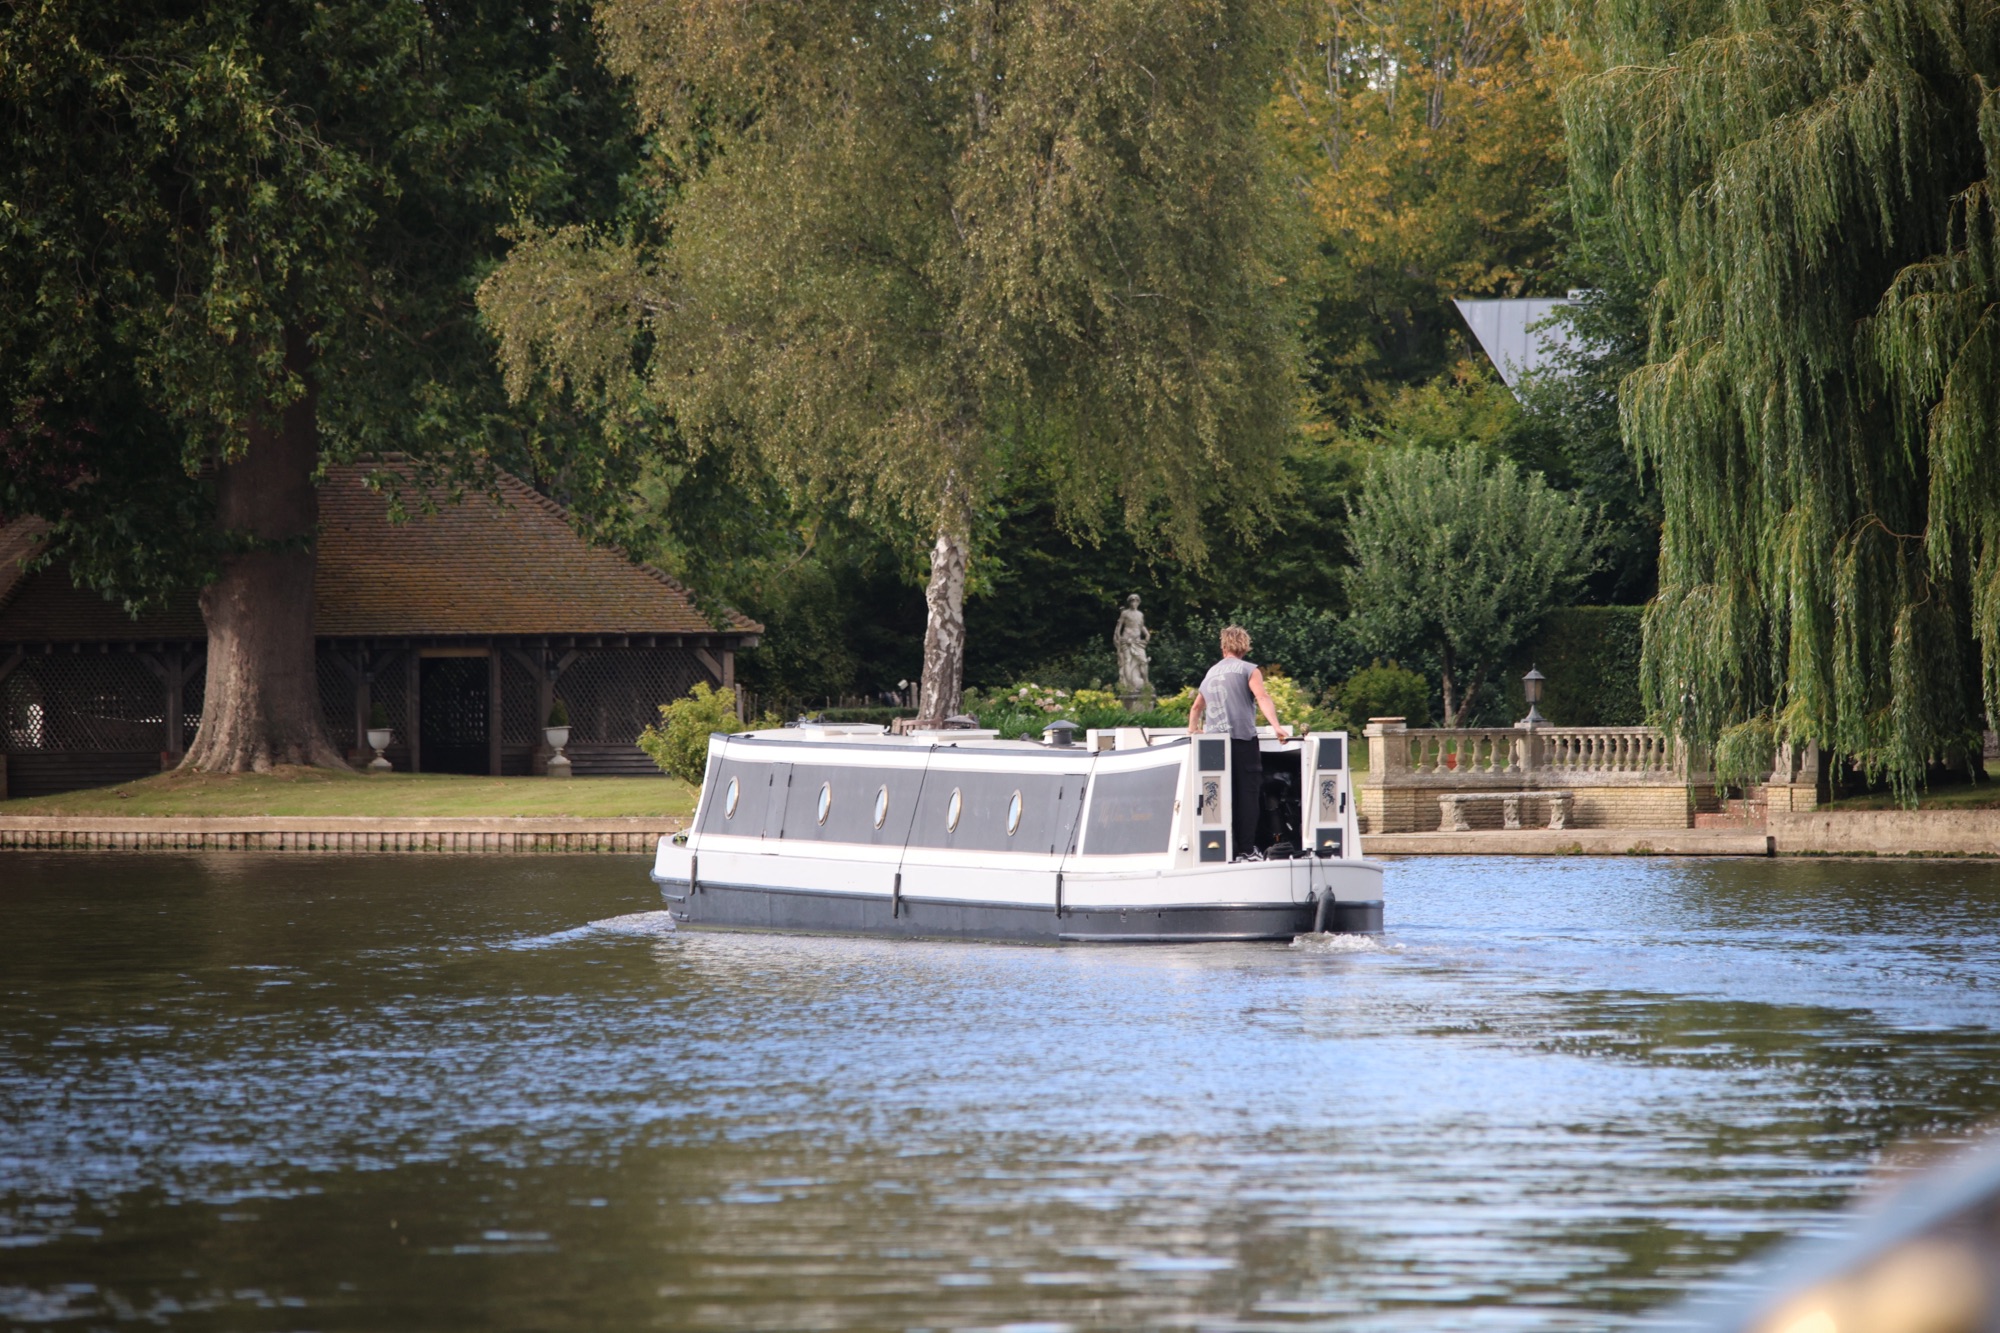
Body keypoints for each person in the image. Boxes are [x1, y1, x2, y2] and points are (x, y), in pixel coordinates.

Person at [1186, 625, 1288, 861]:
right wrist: (1276, 725)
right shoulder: (1249, 669)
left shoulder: (1210, 673)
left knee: (1219, 796)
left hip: (1214, 745)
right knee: (1247, 797)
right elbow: (1262, 697)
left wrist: (1193, 730)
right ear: (1245, 646)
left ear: (1223, 647)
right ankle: (1246, 849)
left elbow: (1196, 707)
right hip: (1242, 740)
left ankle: (1222, 848)